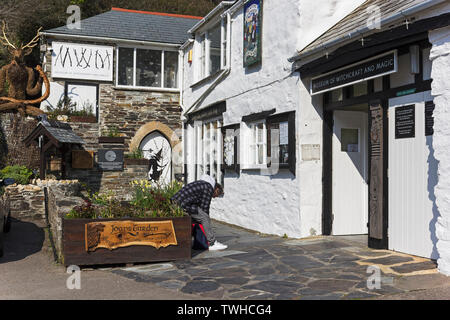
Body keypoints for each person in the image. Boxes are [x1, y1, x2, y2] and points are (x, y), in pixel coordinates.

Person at [171, 174, 227, 251]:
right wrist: (206, 221)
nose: (214, 197)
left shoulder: (202, 184)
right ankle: (212, 243)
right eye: (216, 195)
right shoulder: (208, 188)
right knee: (204, 217)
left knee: (198, 218)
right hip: (183, 204)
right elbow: (205, 208)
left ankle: (197, 241)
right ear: (216, 189)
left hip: (175, 202)